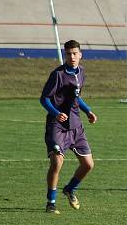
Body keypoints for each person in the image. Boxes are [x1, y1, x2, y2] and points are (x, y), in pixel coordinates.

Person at [40, 39, 97, 214]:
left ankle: (70, 189)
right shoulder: (58, 74)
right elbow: (44, 98)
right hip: (57, 126)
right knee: (57, 161)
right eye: (68, 54)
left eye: (74, 53)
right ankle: (51, 202)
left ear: (80, 55)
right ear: (65, 55)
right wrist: (56, 113)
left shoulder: (81, 73)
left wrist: (88, 111)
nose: (72, 57)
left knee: (88, 164)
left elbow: (76, 97)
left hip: (76, 125)